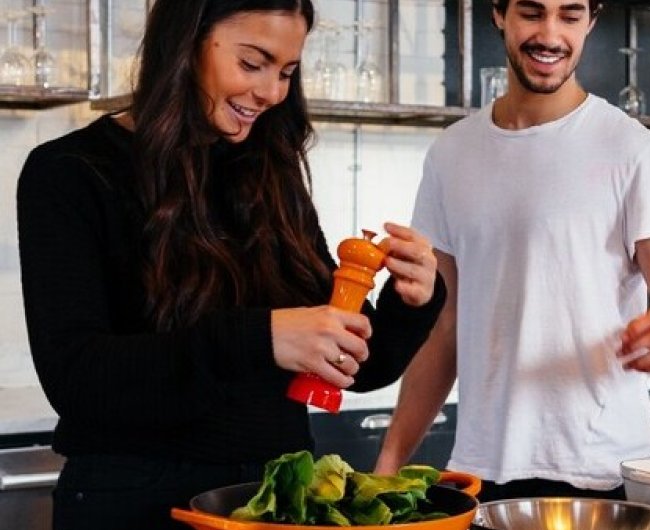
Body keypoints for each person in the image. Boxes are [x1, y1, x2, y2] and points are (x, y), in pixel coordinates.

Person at [16, 1, 444, 529]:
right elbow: (78, 378)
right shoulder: (69, 173)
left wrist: (410, 301)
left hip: (275, 501)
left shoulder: (271, 173)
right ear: (187, 43)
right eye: (252, 63)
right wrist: (260, 338)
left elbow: (353, 368)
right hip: (132, 504)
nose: (271, 93)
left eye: (287, 72)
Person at [374, 0, 650, 500]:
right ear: (499, 14)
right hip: (480, 474)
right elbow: (442, 327)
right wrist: (388, 463)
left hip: (601, 476)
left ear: (591, 21)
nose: (550, 34)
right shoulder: (451, 154)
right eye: (532, 13)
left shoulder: (637, 152)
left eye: (570, 15)